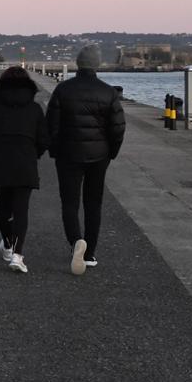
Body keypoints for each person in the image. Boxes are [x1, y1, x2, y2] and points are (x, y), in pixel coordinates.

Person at [47, 44, 126, 276]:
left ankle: (75, 243)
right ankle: (89, 253)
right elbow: (118, 127)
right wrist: (111, 152)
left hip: (68, 154)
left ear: (78, 63)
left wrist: (54, 150)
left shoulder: (63, 89)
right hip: (99, 156)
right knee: (94, 203)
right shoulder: (108, 92)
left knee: (69, 202)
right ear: (97, 65)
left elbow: (51, 125)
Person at [0, 66, 49, 273]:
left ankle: (8, 245)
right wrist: (32, 153)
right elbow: (44, 140)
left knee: (4, 208)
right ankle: (17, 256)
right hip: (25, 163)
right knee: (21, 211)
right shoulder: (35, 109)